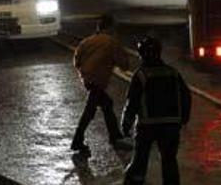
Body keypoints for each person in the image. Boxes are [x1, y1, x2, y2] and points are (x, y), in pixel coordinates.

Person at [121, 36, 192, 185]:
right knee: (169, 161)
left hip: (147, 126)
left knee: (140, 161)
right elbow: (186, 96)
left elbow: (132, 102)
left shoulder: (140, 75)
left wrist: (126, 124)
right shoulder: (173, 73)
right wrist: (184, 119)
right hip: (171, 126)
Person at [71, 14, 131, 153]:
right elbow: (124, 65)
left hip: (88, 80)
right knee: (90, 111)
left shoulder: (86, 41)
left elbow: (76, 61)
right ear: (110, 28)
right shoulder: (111, 42)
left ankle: (115, 136)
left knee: (106, 104)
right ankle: (77, 140)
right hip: (98, 81)